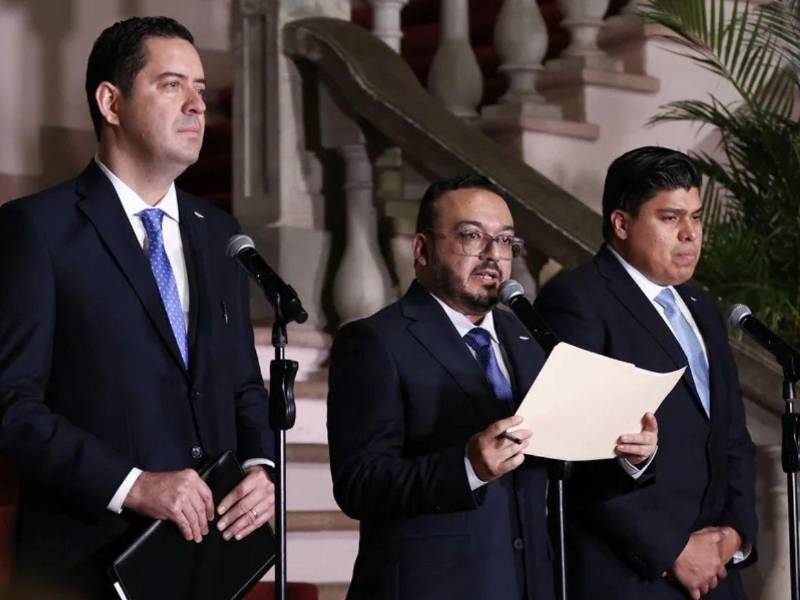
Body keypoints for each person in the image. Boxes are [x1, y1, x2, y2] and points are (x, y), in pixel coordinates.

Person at [0, 17, 275, 598]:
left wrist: (259, 466)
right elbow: (11, 405)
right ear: (111, 102)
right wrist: (132, 485)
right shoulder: (36, 230)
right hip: (87, 564)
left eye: (201, 88)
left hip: (207, 562)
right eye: (172, 85)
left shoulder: (219, 232)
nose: (198, 105)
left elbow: (243, 384)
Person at [326, 174, 658, 600]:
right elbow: (359, 484)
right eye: (471, 236)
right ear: (422, 249)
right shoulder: (375, 341)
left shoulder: (528, 340)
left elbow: (559, 474)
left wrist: (629, 457)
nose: (492, 255)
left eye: (504, 241)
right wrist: (467, 468)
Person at [535, 146, 758, 600]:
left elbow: (731, 435)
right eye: (670, 218)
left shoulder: (702, 307)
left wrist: (733, 535)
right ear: (621, 224)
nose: (690, 234)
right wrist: (673, 550)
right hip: (633, 576)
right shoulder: (577, 301)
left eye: (696, 218)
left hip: (717, 574)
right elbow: (577, 456)